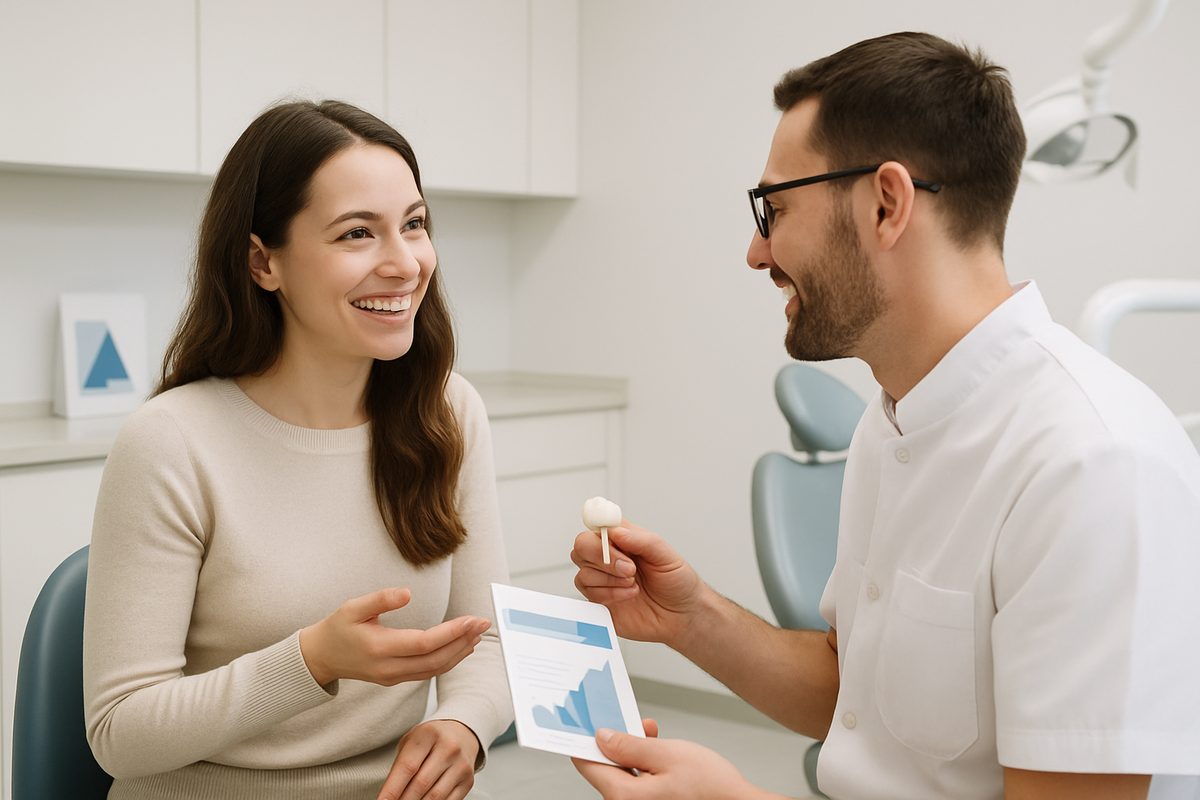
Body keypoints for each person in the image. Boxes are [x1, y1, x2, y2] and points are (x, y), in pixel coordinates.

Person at [570, 31, 1200, 800]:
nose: (755, 253)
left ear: (886, 203)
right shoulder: (895, 416)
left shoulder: (1091, 465)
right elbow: (856, 700)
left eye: (774, 209)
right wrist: (690, 616)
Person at [83, 100, 513, 800]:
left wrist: (463, 724)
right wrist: (311, 661)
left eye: (414, 224)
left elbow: (489, 639)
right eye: (356, 234)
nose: (405, 264)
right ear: (262, 262)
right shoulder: (171, 442)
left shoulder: (447, 412)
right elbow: (120, 733)